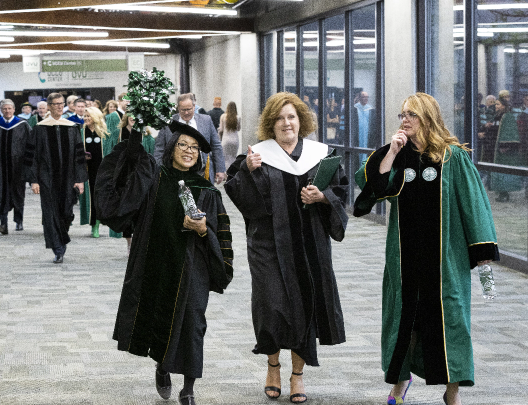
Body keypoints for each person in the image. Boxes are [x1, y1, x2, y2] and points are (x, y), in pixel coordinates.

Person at [353, 92, 499, 405]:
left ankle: (453, 392)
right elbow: (373, 189)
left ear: (427, 119)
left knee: (451, 321)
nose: (404, 120)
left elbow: (473, 204)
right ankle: (399, 385)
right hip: (405, 258)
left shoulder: (452, 157)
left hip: (445, 260)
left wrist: (483, 248)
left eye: (411, 115)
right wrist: (391, 151)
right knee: (405, 321)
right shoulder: (398, 156)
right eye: (402, 114)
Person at [96, 120, 233, 405]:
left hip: (195, 267)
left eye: (195, 148)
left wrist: (202, 230)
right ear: (171, 148)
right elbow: (129, 164)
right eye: (183, 144)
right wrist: (136, 129)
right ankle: (162, 365)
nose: (189, 150)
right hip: (157, 262)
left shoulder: (208, 191)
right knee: (161, 319)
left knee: (194, 324)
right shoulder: (154, 178)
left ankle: (189, 387)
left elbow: (221, 238)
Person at [224, 92, 348, 404]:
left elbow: (340, 193)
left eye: (291, 116)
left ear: (301, 120)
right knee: (272, 305)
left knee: (303, 306)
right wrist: (248, 173)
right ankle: (272, 365)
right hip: (267, 246)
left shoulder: (321, 155)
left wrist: (321, 198)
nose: (286, 122)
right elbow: (240, 197)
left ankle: (297, 375)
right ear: (271, 123)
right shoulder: (257, 156)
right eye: (279, 118)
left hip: (308, 246)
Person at [25, 93, 87, 264]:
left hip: (68, 178)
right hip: (47, 178)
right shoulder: (40, 128)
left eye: (62, 104)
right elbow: (33, 157)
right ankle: (58, 248)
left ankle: (62, 236)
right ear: (50, 106)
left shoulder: (72, 127)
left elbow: (78, 155)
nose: (60, 106)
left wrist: (80, 179)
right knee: (50, 212)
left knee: (67, 212)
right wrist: (34, 180)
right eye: (56, 104)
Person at [0, 99, 32, 234]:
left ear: (14, 110)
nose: (7, 111)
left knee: (18, 193)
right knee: (0, 194)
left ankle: (19, 220)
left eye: (9, 108)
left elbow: (30, 146)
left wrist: (29, 165)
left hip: (18, 167)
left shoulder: (23, 124)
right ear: (1, 110)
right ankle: (3, 223)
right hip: (0, 167)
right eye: (4, 109)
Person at [154, 94, 226, 185]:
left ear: (194, 107)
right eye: (183, 110)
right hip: (175, 175)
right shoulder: (168, 123)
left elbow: (216, 146)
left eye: (189, 109)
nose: (186, 112)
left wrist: (220, 169)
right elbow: (159, 149)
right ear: (178, 108)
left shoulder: (206, 120)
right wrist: (160, 171)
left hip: (203, 173)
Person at [115, 113, 156, 251]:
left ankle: (139, 241)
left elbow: (152, 157)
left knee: (141, 209)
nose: (133, 118)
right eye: (131, 116)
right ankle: (129, 243)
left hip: (142, 178)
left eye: (137, 116)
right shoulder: (119, 134)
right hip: (124, 178)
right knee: (126, 210)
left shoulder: (148, 137)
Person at [78, 107, 115, 238]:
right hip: (88, 170)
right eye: (85, 116)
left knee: (101, 197)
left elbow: (111, 152)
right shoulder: (81, 132)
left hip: (102, 170)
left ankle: (100, 222)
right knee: (91, 197)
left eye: (89, 116)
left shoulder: (105, 133)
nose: (86, 118)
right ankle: (94, 225)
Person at [490, 97, 524, 202]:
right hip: (499, 149)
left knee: (503, 171)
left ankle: (504, 194)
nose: (496, 106)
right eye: (495, 104)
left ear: (504, 106)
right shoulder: (498, 116)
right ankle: (502, 193)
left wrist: (505, 146)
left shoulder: (507, 116)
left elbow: (510, 132)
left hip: (505, 151)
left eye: (498, 104)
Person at [218, 101, 240, 168]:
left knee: (225, 159)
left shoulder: (223, 116)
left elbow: (221, 129)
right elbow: (238, 129)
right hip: (235, 140)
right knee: (233, 158)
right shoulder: (238, 117)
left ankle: (226, 175)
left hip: (226, 139)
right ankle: (232, 174)